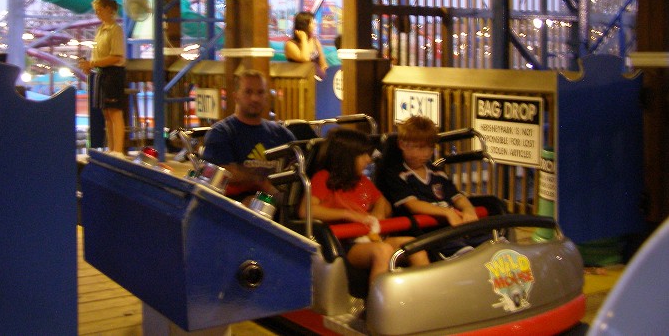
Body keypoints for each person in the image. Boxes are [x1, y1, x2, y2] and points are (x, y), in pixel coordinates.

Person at [299, 128, 429, 284]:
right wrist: (347, 214)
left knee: (415, 246)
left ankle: (423, 297)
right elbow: (306, 211)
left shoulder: (362, 181)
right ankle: (379, 304)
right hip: (344, 244)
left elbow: (383, 203)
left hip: (370, 238)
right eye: (364, 155)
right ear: (348, 156)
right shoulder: (324, 179)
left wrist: (377, 213)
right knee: (383, 251)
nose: (368, 160)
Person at [381, 115, 486, 259]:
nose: (425, 153)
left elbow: (457, 196)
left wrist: (468, 210)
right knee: (466, 254)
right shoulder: (397, 175)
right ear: (402, 144)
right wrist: (447, 213)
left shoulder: (437, 172)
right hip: (428, 233)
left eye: (430, 148)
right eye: (419, 147)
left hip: (453, 228)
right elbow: (413, 205)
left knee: (491, 243)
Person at [202, 69, 296, 202]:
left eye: (260, 92)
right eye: (248, 92)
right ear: (236, 96)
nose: (255, 98)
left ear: (266, 96)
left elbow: (299, 166)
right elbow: (223, 173)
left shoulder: (282, 134)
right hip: (236, 207)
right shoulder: (221, 132)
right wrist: (260, 181)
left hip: (278, 204)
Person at [78, 0, 127, 156]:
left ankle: (118, 150)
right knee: (106, 113)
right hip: (102, 73)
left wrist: (92, 63)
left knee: (115, 111)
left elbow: (116, 57)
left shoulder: (115, 30)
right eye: (96, 10)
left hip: (113, 73)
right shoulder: (101, 29)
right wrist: (90, 65)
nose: (97, 13)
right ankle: (111, 149)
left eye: (99, 9)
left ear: (109, 9)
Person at [284, 11, 327, 80]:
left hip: (318, 78)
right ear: (304, 25)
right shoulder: (290, 44)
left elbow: (323, 64)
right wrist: (303, 38)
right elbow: (305, 58)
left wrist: (324, 78)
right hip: (301, 81)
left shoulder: (314, 41)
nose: (315, 25)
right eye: (312, 23)